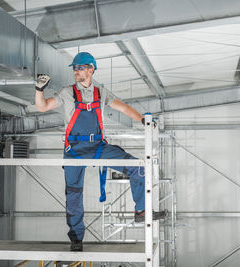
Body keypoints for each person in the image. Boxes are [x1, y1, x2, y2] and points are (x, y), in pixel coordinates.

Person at [35, 52, 165, 251]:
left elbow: (124, 108)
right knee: (74, 195)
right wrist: (39, 90)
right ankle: (76, 239)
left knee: (138, 167)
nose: (76, 71)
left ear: (91, 69)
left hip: (97, 147)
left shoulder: (101, 93)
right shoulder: (66, 92)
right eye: (75, 68)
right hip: (74, 150)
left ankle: (140, 210)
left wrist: (143, 120)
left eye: (79, 68)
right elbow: (42, 107)